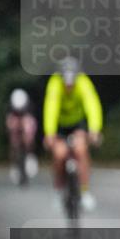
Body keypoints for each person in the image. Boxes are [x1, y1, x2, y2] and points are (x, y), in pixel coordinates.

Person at [42, 57, 103, 211]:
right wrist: (49, 133)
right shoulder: (55, 83)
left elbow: (92, 105)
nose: (69, 87)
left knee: (81, 150)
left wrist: (95, 129)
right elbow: (50, 108)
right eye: (66, 83)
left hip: (77, 123)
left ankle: (85, 191)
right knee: (59, 154)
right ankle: (58, 191)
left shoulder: (83, 82)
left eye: (71, 83)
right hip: (60, 125)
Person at [6, 88, 39, 185]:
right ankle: (14, 162)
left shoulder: (29, 106)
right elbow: (9, 122)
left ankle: (30, 155)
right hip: (14, 120)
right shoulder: (11, 107)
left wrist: (27, 132)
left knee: (28, 132)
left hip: (27, 120)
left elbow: (32, 123)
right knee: (13, 138)